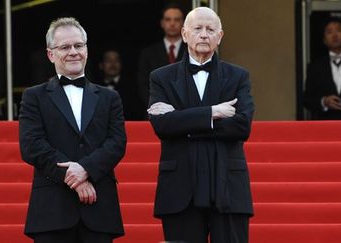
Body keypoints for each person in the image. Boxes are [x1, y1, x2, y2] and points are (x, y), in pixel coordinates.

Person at [147, 7, 254, 243]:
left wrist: (183, 122)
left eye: (210, 29)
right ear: (185, 34)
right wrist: (212, 113)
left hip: (228, 185)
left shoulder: (238, 76)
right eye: (198, 29)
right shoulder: (161, 77)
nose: (204, 35)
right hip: (179, 187)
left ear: (220, 36)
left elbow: (242, 126)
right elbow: (162, 126)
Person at [19, 17, 126, 243]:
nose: (73, 52)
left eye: (79, 45)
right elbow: (31, 145)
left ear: (86, 50)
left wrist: (85, 169)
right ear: (50, 54)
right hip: (52, 210)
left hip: (99, 208)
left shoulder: (110, 97)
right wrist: (71, 175)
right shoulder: (34, 96)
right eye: (65, 47)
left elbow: (116, 143)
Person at [137, 3, 186, 118]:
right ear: (162, 23)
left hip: (186, 112)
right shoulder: (148, 53)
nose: (172, 23)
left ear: (183, 24)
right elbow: (143, 84)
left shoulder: (192, 52)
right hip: (155, 112)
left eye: (177, 19)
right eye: (168, 19)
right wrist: (156, 105)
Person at [304, 18, 341, 120]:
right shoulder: (315, 66)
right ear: (324, 40)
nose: (334, 35)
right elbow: (306, 99)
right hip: (327, 124)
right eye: (329, 32)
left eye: (338, 30)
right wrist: (324, 101)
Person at [98, 49, 141, 120]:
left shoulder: (132, 87)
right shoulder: (93, 87)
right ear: (101, 65)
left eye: (116, 61)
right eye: (108, 61)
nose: (113, 64)